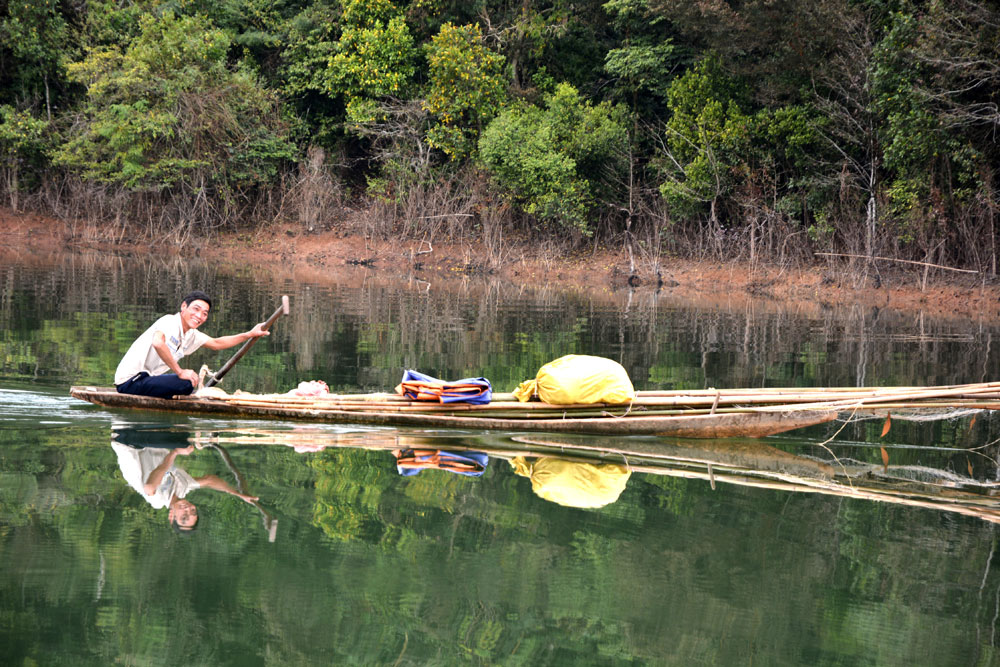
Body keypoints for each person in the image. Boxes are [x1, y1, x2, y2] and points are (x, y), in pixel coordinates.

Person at [114, 290, 270, 399]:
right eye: (196, 309)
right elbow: (157, 342)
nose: (199, 316)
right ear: (183, 307)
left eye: (204, 313)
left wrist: (250, 334)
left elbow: (216, 343)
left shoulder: (191, 335)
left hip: (145, 380)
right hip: (130, 382)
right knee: (186, 382)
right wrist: (180, 371)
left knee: (190, 381)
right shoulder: (169, 321)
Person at [111, 427, 260, 532]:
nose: (188, 509)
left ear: (171, 516)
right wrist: (238, 494)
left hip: (127, 441)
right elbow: (209, 480)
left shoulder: (158, 500)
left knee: (182, 442)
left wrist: (175, 452)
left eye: (184, 516)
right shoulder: (183, 488)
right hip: (148, 438)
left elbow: (149, 487)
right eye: (193, 512)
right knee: (184, 440)